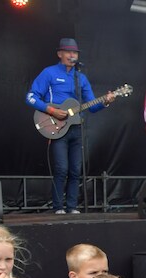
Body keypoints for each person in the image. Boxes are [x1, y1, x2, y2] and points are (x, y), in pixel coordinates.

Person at [25, 38, 116, 214]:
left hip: (76, 128)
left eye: (74, 52)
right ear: (60, 54)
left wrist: (106, 101)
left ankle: (72, 206)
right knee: (61, 168)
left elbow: (92, 105)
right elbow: (30, 97)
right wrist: (51, 110)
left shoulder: (80, 77)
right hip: (57, 127)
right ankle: (58, 207)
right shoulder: (49, 73)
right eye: (68, 52)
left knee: (76, 169)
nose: (72, 55)